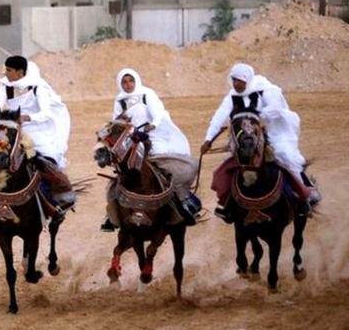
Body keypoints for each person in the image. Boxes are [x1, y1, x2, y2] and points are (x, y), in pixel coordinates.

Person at [200, 63, 318, 221]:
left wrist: (257, 115)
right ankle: (228, 205)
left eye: (239, 80)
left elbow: (276, 108)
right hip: (247, 136)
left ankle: (305, 195)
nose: (236, 84)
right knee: (229, 163)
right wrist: (208, 139)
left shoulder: (266, 89)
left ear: (248, 80)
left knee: (287, 156)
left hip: (274, 132)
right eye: (234, 80)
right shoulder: (232, 95)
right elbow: (219, 116)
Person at [101, 68, 200, 232]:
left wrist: (151, 126)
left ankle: (183, 201)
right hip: (132, 138)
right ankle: (112, 215)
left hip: (155, 134)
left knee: (161, 163)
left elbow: (158, 114)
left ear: (136, 80)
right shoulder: (119, 100)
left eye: (130, 80)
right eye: (124, 82)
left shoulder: (147, 94)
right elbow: (117, 121)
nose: (128, 84)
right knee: (121, 167)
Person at [0, 55, 76, 214]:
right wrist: (1, 124)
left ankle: (59, 196)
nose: (5, 73)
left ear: (20, 71)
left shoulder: (38, 87)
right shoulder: (5, 87)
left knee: (46, 159)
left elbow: (46, 113)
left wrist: (27, 118)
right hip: (11, 129)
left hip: (37, 130)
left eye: (8, 70)